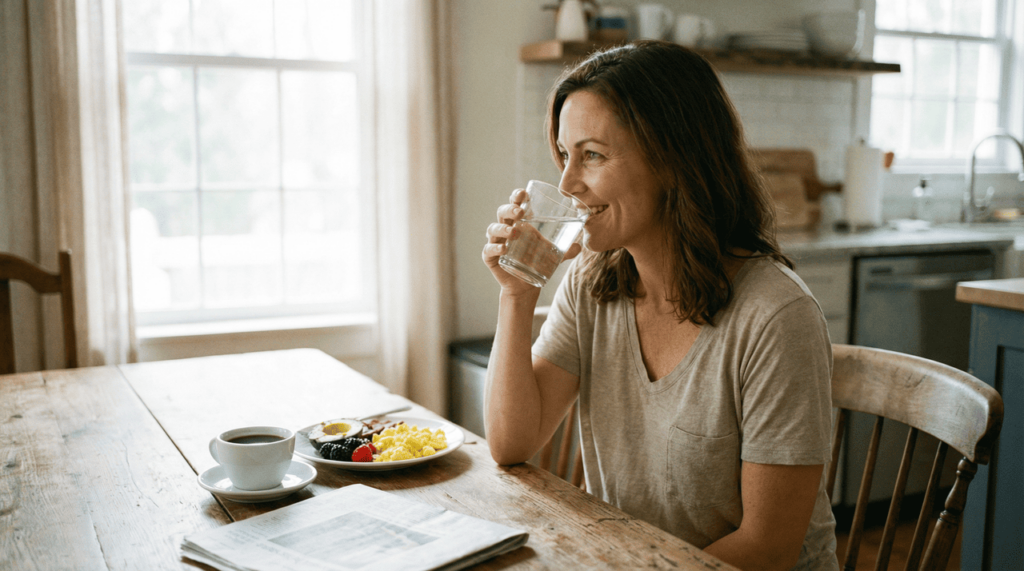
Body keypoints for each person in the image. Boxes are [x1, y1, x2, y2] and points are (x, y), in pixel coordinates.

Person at [481, 41, 837, 571]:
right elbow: (512, 443)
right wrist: (517, 293)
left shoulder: (776, 318)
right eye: (565, 155)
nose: (567, 185)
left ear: (674, 157)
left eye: (593, 155)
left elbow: (768, 548)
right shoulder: (592, 282)